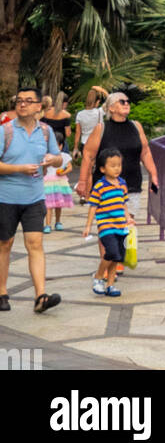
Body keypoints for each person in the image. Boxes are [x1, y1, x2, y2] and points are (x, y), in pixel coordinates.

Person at [0, 84, 63, 313]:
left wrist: (52, 160)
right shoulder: (5, 131)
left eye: (28, 101)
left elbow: (59, 159)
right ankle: (2, 293)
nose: (22, 104)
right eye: (19, 101)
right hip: (5, 198)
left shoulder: (45, 132)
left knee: (35, 244)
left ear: (39, 106)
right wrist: (18, 169)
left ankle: (40, 297)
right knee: (4, 244)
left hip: (35, 199)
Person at [77, 91, 159, 227]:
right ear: (111, 108)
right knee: (107, 228)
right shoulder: (101, 128)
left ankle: (121, 249)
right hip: (106, 187)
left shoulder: (136, 126)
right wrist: (82, 181)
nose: (126, 103)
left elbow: (145, 153)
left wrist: (154, 175)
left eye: (128, 101)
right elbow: (88, 156)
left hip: (131, 186)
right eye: (122, 101)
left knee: (127, 226)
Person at [84, 147, 132, 298]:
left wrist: (128, 217)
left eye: (119, 165)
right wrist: (88, 226)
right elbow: (93, 207)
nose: (117, 168)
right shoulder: (100, 186)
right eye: (113, 165)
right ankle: (98, 277)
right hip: (106, 227)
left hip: (121, 226)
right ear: (103, 169)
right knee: (111, 252)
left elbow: (123, 203)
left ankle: (110, 285)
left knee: (117, 257)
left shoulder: (122, 183)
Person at [39, 94, 74, 231]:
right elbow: (68, 133)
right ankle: (55, 222)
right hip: (60, 143)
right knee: (62, 162)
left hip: (46, 143)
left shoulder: (46, 113)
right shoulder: (66, 115)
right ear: (65, 102)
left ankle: (49, 223)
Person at [73, 86, 106, 163]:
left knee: (87, 168)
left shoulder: (80, 114)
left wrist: (75, 148)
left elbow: (78, 133)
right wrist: (102, 90)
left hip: (85, 144)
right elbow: (111, 101)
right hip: (98, 143)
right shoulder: (99, 112)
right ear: (97, 102)